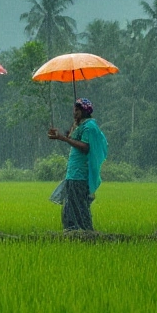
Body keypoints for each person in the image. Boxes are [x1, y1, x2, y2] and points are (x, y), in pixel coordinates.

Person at [47, 98, 108, 231]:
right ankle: (73, 231)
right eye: (74, 110)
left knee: (79, 206)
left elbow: (85, 147)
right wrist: (61, 135)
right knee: (70, 207)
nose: (74, 113)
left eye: (77, 110)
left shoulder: (89, 127)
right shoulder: (80, 125)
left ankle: (83, 232)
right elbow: (72, 138)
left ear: (83, 111)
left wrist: (64, 138)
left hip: (80, 174)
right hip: (73, 172)